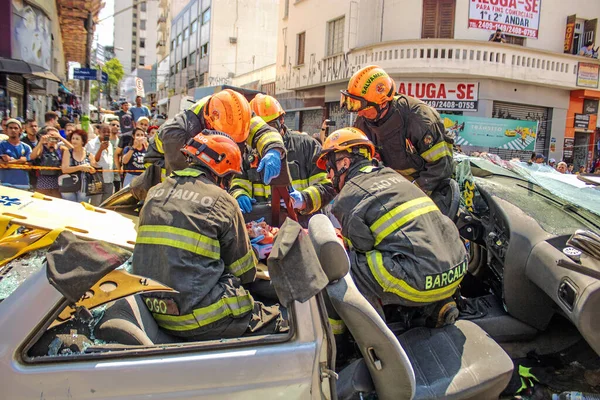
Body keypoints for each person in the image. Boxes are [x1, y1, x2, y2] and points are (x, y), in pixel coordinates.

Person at [132, 131, 287, 340]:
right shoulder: (222, 200)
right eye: (231, 176)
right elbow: (245, 272)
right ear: (223, 172)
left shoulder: (155, 193)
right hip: (201, 317)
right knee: (279, 321)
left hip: (154, 311)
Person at [315, 127, 467, 328]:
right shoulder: (395, 176)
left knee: (344, 266)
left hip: (422, 282)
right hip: (456, 270)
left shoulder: (348, 196)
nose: (329, 176)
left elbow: (362, 247)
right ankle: (435, 304)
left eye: (329, 169)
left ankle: (367, 337)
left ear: (344, 163)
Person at [340, 65, 453, 197]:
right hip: (392, 187)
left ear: (382, 104)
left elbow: (441, 168)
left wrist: (410, 194)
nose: (359, 112)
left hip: (429, 189)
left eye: (363, 106)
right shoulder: (363, 122)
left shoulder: (419, 120)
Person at [144, 89, 285, 185]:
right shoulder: (180, 134)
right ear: (209, 126)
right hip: (160, 165)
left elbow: (263, 131)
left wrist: (273, 150)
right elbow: (184, 184)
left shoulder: (238, 114)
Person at [230, 94, 335, 217]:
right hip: (265, 225)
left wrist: (304, 199)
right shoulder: (247, 152)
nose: (268, 132)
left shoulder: (307, 145)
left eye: (271, 126)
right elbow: (237, 182)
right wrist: (240, 194)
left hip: (302, 223)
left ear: (282, 120)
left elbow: (328, 185)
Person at [60, 129, 97, 203]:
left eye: (77, 139)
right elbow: (64, 169)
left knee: (82, 208)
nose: (74, 141)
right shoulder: (68, 152)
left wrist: (91, 169)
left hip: (84, 187)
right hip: (68, 186)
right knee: (70, 207)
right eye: (73, 138)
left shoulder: (88, 154)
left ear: (82, 141)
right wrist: (81, 167)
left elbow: (95, 168)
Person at [29, 127, 65, 198]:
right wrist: (41, 142)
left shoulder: (60, 148)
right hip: (43, 180)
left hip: (57, 180)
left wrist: (61, 137)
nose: (52, 139)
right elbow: (32, 156)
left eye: (54, 137)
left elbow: (73, 149)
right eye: (50, 136)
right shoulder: (42, 147)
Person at [85, 124, 115, 205]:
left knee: (106, 204)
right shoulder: (91, 144)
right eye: (104, 131)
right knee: (95, 203)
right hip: (97, 178)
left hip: (109, 178)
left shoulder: (110, 144)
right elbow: (94, 161)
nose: (106, 134)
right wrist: (101, 149)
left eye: (108, 132)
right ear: (99, 132)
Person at [0, 119, 32, 190]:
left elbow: (29, 166)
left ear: (20, 130)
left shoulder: (26, 147)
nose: (13, 130)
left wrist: (9, 161)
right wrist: (20, 161)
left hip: (23, 184)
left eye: (15, 128)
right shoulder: (1, 145)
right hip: (5, 184)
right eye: (10, 128)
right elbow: (2, 164)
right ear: (6, 130)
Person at [21, 119, 40, 189]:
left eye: (35, 126)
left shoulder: (42, 140)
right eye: (31, 126)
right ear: (26, 128)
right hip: (28, 176)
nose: (34, 128)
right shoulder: (22, 143)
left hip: (42, 176)